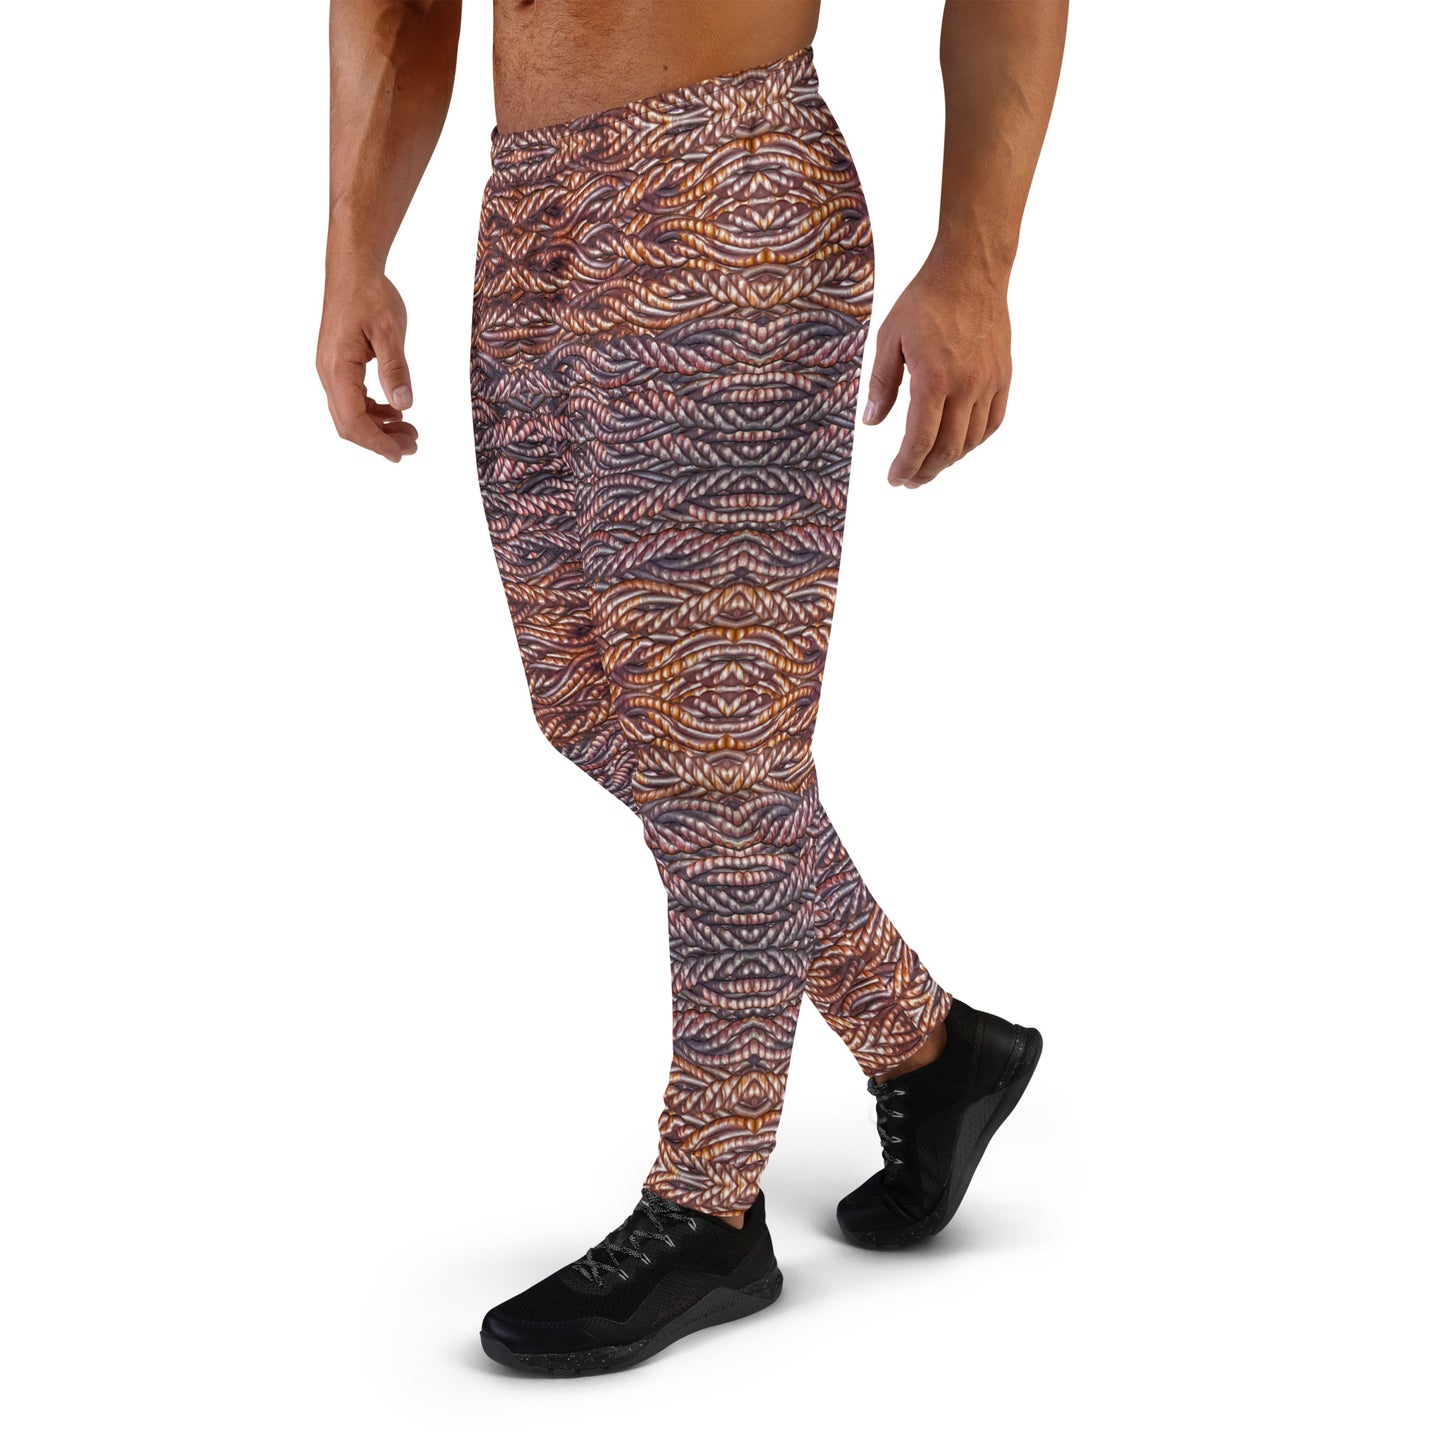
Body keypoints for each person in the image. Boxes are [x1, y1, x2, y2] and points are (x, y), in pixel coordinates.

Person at [318, 0, 1068, 1375]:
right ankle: (927, 1045)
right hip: (532, 201)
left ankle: (713, 1198)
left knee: (719, 734)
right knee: (592, 704)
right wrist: (351, 254)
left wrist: (974, 260)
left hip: (725, 178)